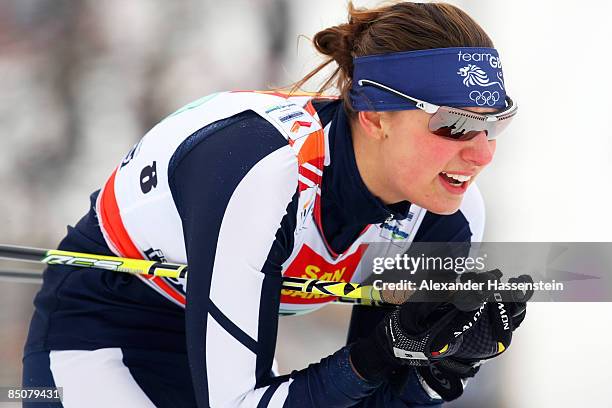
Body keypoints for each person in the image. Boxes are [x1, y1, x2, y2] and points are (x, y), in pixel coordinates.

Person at [22, 2, 524, 407]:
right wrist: (378, 353)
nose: (481, 153)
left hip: (232, 347)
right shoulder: (268, 179)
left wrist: (438, 369)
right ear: (375, 116)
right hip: (107, 330)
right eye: (453, 124)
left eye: (494, 124)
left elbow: (375, 397)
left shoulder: (449, 209)